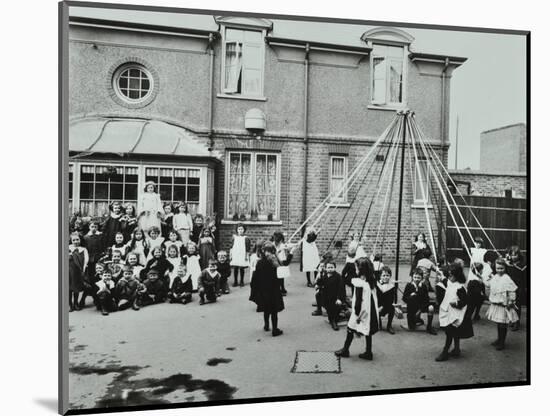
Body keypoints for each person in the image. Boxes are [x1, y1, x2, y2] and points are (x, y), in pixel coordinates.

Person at [335, 257, 379, 360]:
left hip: (361, 312)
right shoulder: (371, 281)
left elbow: (358, 301)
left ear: (361, 270)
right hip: (369, 311)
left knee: (351, 328)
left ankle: (345, 350)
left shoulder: (360, 283)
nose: (355, 269)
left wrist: (355, 314)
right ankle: (368, 352)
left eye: (356, 268)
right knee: (367, 330)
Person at [435, 263, 473, 361]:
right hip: (449, 312)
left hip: (456, 313)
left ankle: (445, 352)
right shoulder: (450, 282)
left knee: (450, 332)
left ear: (457, 275)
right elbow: (445, 280)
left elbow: (465, 301)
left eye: (451, 275)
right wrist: (440, 273)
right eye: (448, 275)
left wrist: (456, 303)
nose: (449, 277)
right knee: (454, 332)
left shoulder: (460, 287)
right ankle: (456, 349)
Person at [249, 241, 284, 336]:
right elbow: (281, 275)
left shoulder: (259, 262)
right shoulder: (275, 263)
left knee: (266, 309)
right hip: (274, 289)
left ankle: (266, 325)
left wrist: (254, 289)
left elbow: (255, 277)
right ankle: (275, 329)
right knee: (274, 311)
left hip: (264, 290)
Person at [486, 258, 519, 350]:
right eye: (498, 268)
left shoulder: (507, 278)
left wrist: (511, 301)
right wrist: (485, 278)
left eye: (502, 268)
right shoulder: (495, 277)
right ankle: (499, 339)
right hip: (496, 303)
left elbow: (512, 291)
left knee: (502, 324)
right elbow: (489, 285)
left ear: (505, 268)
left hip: (504, 305)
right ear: (495, 268)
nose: (499, 270)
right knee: (498, 323)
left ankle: (502, 342)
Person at [311, 260, 346, 331]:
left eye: (332, 267)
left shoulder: (338, 277)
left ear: (335, 268)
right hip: (326, 296)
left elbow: (341, 288)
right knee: (328, 308)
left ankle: (334, 322)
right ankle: (332, 317)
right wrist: (320, 274)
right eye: (328, 268)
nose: (330, 269)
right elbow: (320, 283)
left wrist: (339, 298)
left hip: (335, 297)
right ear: (326, 268)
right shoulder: (324, 275)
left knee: (334, 309)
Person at [402, 267, 437, 335]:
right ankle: (415, 320)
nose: (416, 279)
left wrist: (420, 310)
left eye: (418, 278)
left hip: (421, 307)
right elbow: (404, 298)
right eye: (415, 277)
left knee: (431, 308)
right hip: (411, 308)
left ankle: (429, 327)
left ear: (422, 278)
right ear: (412, 277)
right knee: (412, 327)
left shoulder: (423, 286)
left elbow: (426, 300)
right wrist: (410, 296)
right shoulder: (409, 285)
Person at [505, 245, 527, 331]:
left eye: (515, 255)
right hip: (510, 287)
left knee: (517, 306)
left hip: (519, 287)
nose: (513, 257)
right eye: (512, 255)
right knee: (510, 304)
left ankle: (517, 323)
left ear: (519, 255)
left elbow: (524, 277)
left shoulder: (523, 265)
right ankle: (512, 320)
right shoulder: (509, 263)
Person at [69, 232, 89, 312]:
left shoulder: (83, 249)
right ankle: (70, 304)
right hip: (69, 271)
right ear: (71, 240)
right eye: (73, 240)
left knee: (76, 287)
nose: (76, 241)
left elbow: (86, 261)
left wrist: (83, 270)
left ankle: (76, 303)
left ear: (80, 240)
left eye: (77, 239)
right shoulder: (68, 248)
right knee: (69, 288)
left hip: (78, 271)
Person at [273, 231, 295, 296]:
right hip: (277, 261)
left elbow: (287, 245)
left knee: (281, 276)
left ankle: (282, 288)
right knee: (278, 276)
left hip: (281, 260)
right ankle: (278, 289)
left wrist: (294, 244)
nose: (281, 242)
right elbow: (287, 246)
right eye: (281, 240)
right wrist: (294, 245)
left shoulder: (280, 244)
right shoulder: (275, 245)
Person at [83, 221, 104, 287]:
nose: (94, 228)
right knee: (91, 272)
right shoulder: (86, 237)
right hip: (90, 257)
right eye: (92, 227)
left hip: (99, 256)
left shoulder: (101, 235)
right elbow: (85, 248)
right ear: (89, 227)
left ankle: (99, 286)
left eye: (95, 227)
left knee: (99, 271)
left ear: (97, 227)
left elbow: (103, 245)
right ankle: (91, 286)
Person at [376, 266, 396, 334]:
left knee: (392, 308)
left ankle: (389, 325)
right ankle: (378, 322)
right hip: (377, 306)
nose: (385, 277)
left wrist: (382, 306)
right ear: (380, 276)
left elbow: (390, 300)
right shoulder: (376, 285)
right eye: (383, 275)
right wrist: (378, 307)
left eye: (387, 275)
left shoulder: (391, 286)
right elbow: (374, 297)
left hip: (385, 306)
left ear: (390, 276)